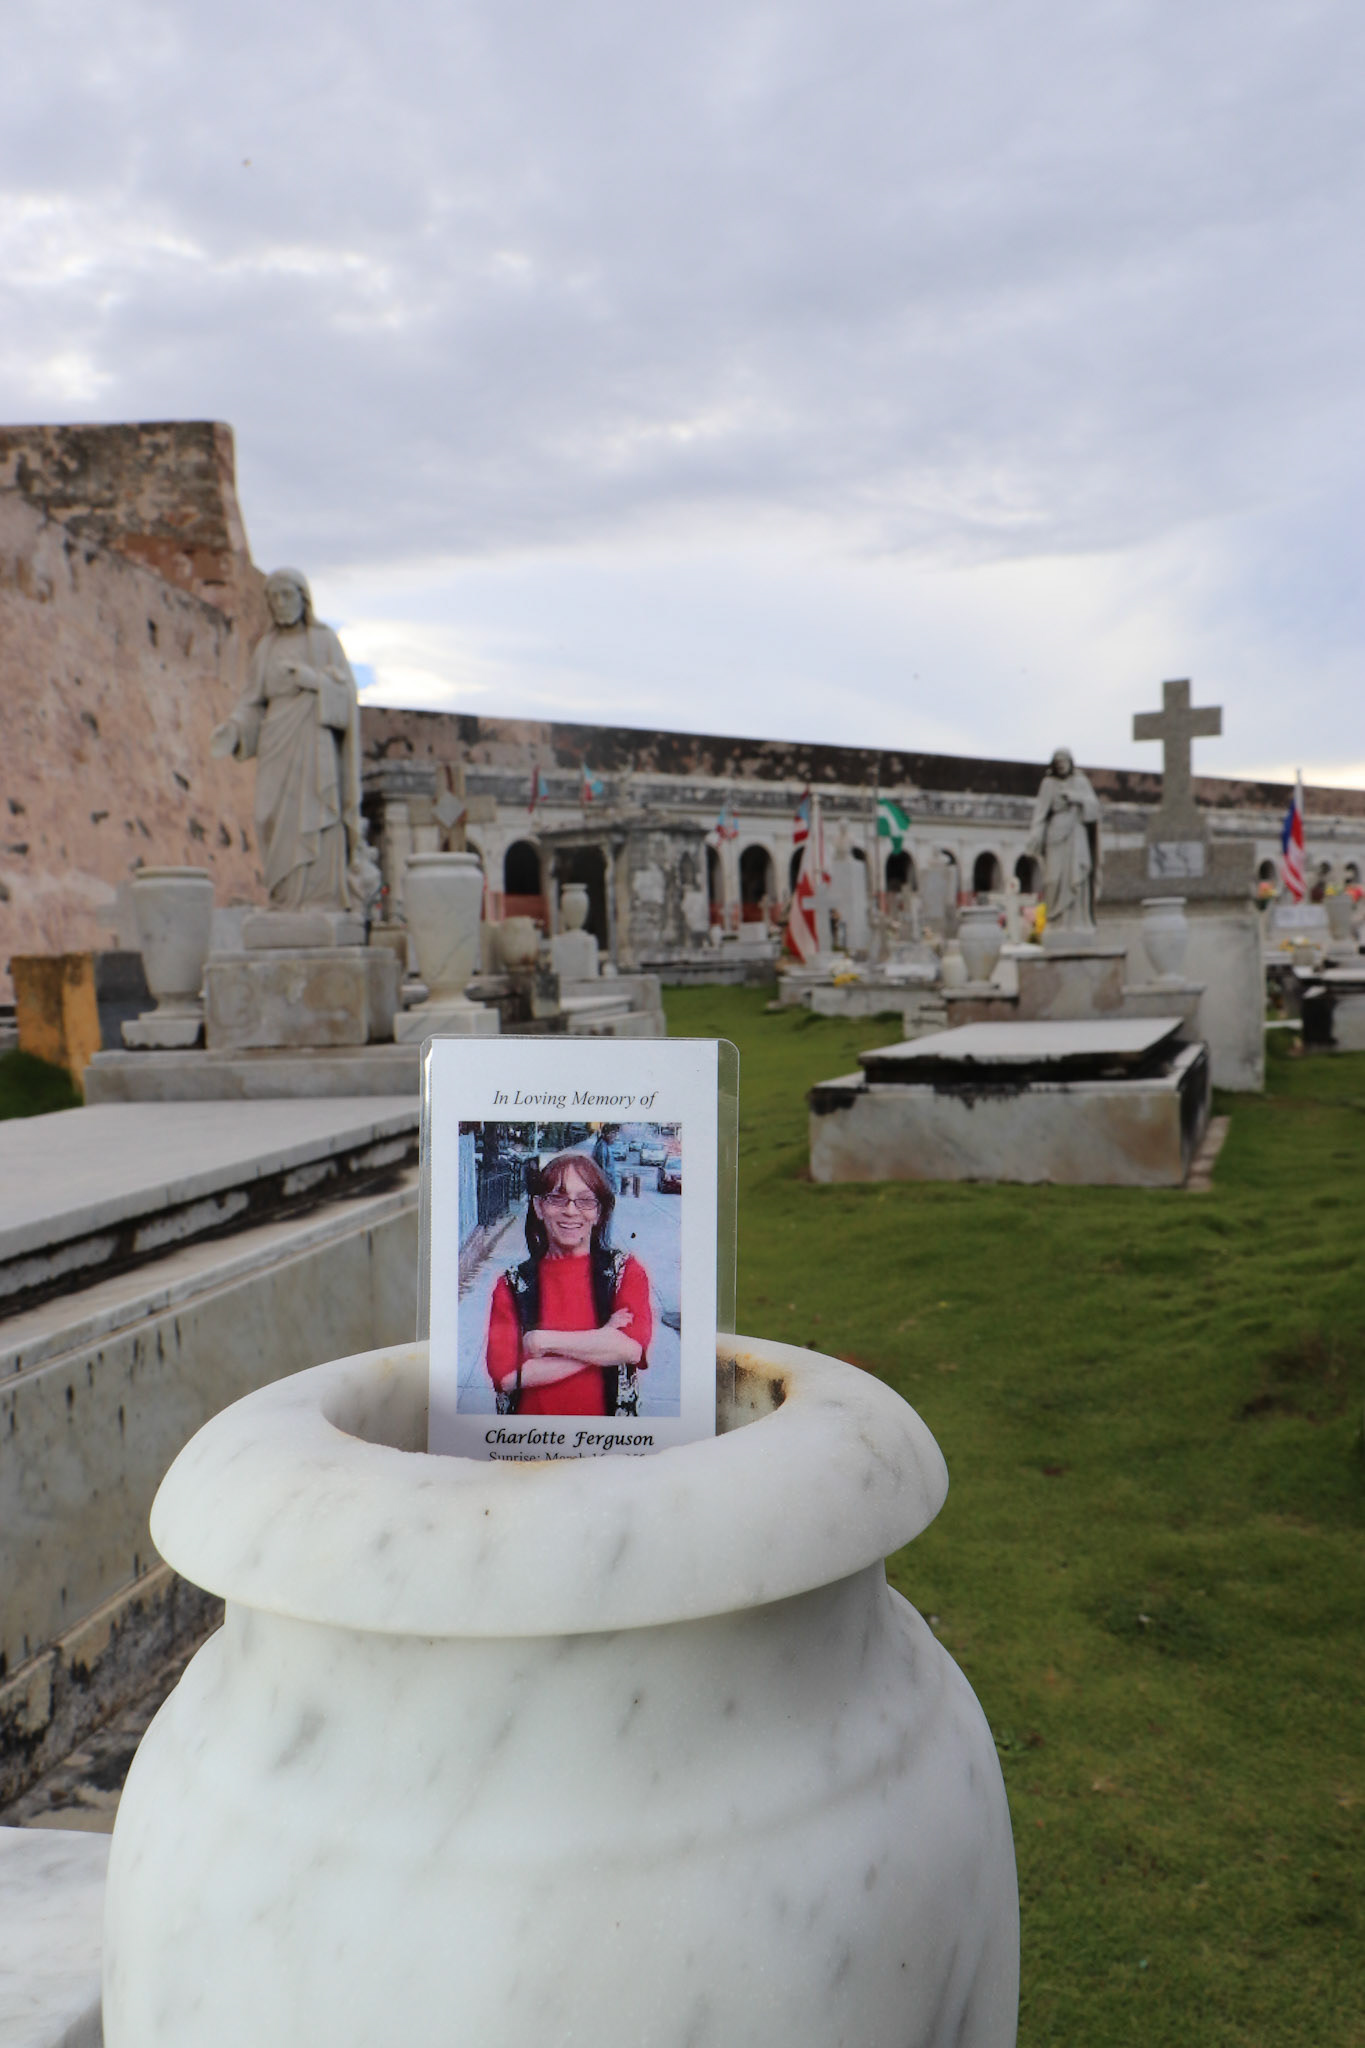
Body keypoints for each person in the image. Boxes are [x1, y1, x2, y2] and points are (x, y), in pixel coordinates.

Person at [211, 567, 376, 912]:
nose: (281, 603)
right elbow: (252, 701)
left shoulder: (324, 640)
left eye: (287, 595)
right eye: (273, 597)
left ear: (303, 599)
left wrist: (311, 680)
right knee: (268, 816)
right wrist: (235, 728)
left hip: (314, 739)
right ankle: (283, 898)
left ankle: (320, 900)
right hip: (276, 741)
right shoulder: (266, 647)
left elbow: (347, 696)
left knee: (316, 815)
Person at [485, 1151, 651, 1418]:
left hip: (607, 1437)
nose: (571, 1211)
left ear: (598, 1212)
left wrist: (542, 1340)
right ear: (539, 1207)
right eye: (557, 1198)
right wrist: (603, 1341)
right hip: (531, 1437)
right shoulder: (513, 1285)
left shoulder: (624, 1272)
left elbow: (631, 1349)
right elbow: (506, 1377)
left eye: (585, 1200)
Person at [1024, 747, 1101, 934]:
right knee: (1053, 879)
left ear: (1070, 762)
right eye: (1057, 762)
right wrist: (1035, 835)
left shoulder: (1081, 781)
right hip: (1055, 834)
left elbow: (1094, 809)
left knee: (1078, 877)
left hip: (1076, 833)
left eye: (1064, 761)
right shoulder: (1048, 784)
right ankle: (1055, 922)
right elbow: (1040, 814)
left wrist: (1077, 798)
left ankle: (1079, 923)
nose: (1061, 765)